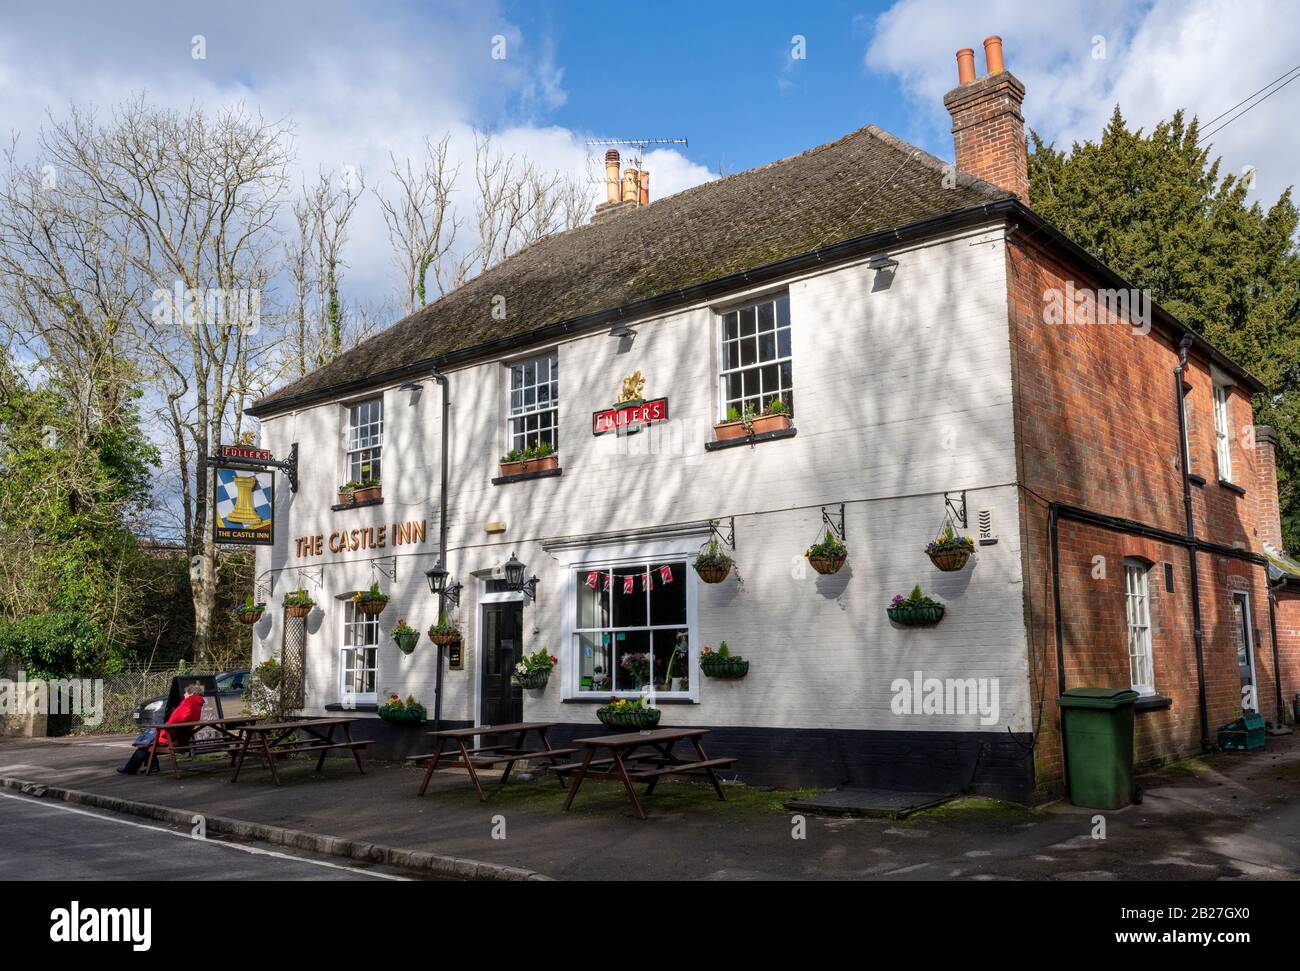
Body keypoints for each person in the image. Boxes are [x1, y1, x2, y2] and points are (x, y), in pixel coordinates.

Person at [118, 683, 206, 775]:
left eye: (186, 693)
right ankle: (152, 767)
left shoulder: (189, 701)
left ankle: (130, 769)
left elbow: (179, 718)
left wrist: (166, 725)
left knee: (144, 745)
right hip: (180, 734)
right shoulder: (197, 703)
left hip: (171, 735)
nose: (184, 695)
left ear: (191, 693)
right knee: (149, 742)